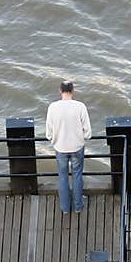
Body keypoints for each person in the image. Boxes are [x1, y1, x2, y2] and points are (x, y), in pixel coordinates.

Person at [45, 80, 92, 214]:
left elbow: (49, 132)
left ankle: (65, 208)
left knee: (63, 177)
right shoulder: (80, 106)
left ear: (60, 91)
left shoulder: (53, 107)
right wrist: (82, 138)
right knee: (77, 175)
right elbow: (88, 132)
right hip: (77, 147)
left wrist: (54, 140)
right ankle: (78, 207)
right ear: (73, 91)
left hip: (60, 148)